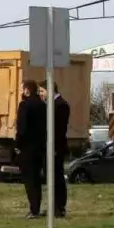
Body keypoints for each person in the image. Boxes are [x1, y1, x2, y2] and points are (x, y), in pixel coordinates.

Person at [16, 79, 48, 219]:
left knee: (29, 180)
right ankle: (37, 207)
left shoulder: (24, 105)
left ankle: (33, 209)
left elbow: (22, 128)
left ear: (27, 90)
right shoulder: (42, 105)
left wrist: (17, 145)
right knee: (36, 180)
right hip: (40, 147)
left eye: (22, 88)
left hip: (27, 148)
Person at [48, 83, 71, 218]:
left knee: (57, 177)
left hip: (57, 146)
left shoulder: (60, 105)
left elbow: (58, 129)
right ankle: (55, 206)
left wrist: (54, 147)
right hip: (54, 146)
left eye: (42, 91)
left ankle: (59, 207)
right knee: (53, 177)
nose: (41, 94)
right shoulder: (53, 104)